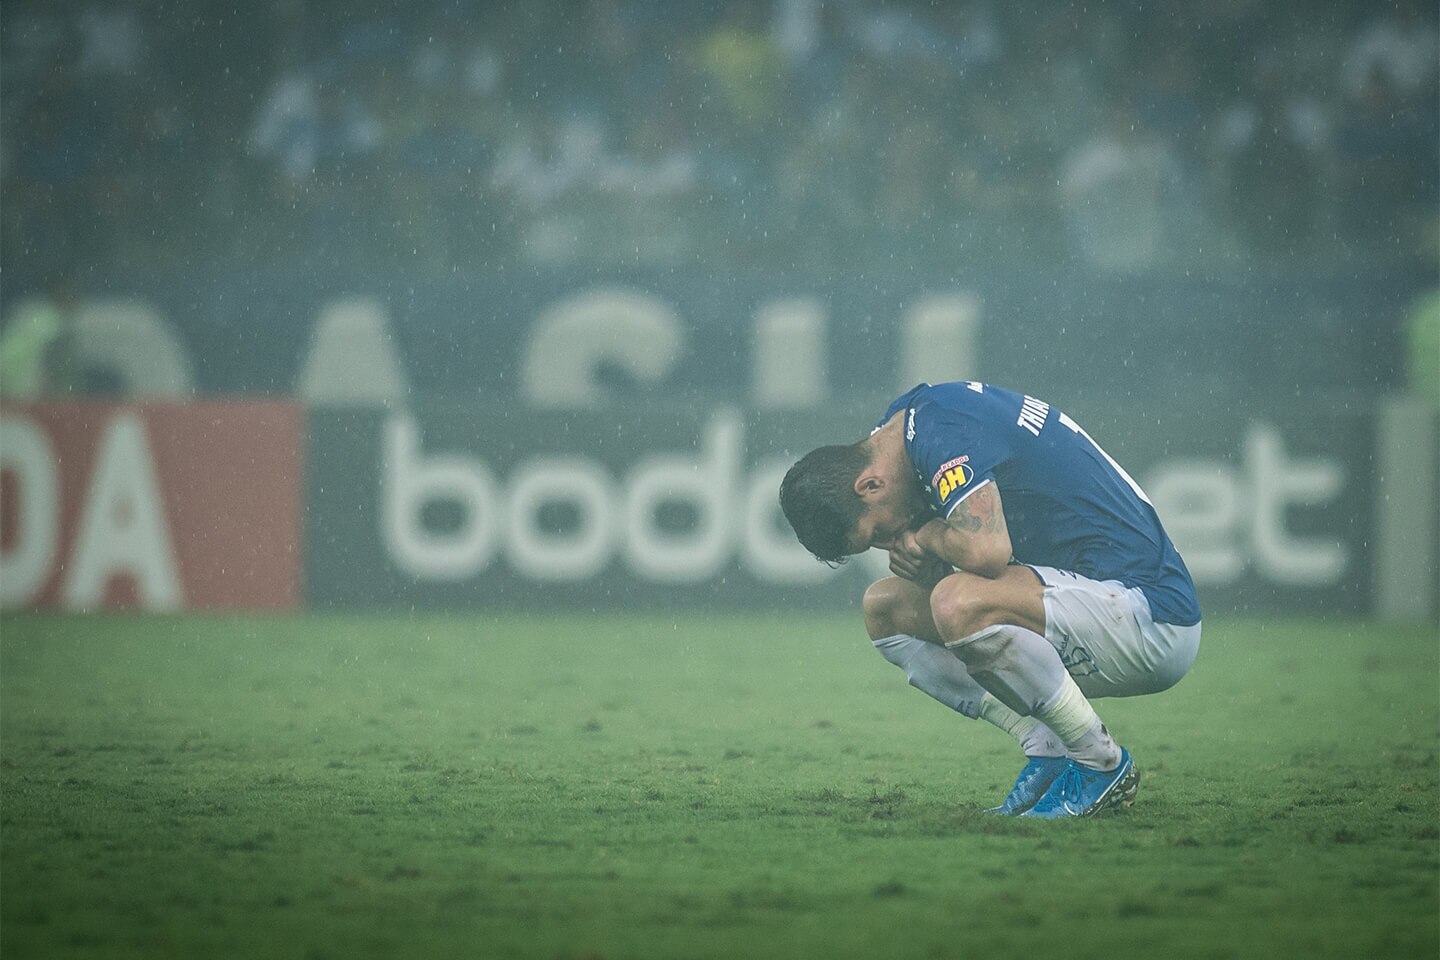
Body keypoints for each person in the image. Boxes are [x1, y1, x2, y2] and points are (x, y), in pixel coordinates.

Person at [779, 381, 1201, 818]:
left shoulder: (942, 429)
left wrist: (926, 533)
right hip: (1087, 603)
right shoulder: (908, 430)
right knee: (886, 609)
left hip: (1153, 616)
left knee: (956, 603)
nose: (889, 543)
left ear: (870, 485)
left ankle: (1100, 762)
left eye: (877, 533)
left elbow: (987, 552)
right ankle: (1050, 747)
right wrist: (928, 561)